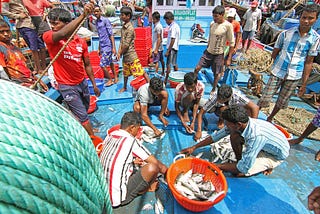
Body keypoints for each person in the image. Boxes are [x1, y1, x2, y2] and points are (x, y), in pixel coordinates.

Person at [181, 105, 290, 177]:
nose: (225, 126)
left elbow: (242, 168)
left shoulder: (255, 136)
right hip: (263, 145)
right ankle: (240, 160)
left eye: (227, 123)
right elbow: (215, 137)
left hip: (276, 155)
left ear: (238, 125)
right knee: (234, 137)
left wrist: (215, 166)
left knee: (240, 173)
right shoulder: (242, 124)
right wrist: (194, 147)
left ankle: (269, 164)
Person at [43, 4, 100, 136]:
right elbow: (63, 33)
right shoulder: (50, 37)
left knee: (84, 109)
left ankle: (84, 129)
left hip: (82, 82)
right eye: (51, 23)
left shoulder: (81, 42)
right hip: (66, 85)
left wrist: (94, 84)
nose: (53, 27)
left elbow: (87, 65)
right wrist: (83, 15)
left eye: (56, 24)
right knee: (82, 114)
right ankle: (92, 138)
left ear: (67, 23)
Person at [258, 4, 320, 122]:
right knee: (265, 97)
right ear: (300, 17)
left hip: (294, 75)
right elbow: (275, 52)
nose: (306, 21)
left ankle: (270, 118)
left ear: (315, 19)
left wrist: (304, 84)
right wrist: (268, 67)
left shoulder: (315, 39)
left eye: (310, 18)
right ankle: (254, 116)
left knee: (282, 101)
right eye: (304, 17)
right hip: (278, 70)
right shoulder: (286, 34)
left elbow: (309, 62)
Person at [100, 111, 168, 207]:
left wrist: (132, 161)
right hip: (117, 198)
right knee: (152, 168)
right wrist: (169, 173)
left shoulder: (111, 135)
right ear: (132, 128)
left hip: (103, 192)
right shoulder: (130, 141)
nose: (138, 131)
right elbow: (156, 164)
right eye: (138, 128)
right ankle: (148, 188)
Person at [194, 84, 259, 140]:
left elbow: (255, 107)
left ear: (230, 97)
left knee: (247, 110)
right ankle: (221, 119)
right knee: (218, 109)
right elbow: (201, 113)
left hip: (234, 108)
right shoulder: (214, 97)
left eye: (222, 100)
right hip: (217, 108)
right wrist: (199, 131)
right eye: (219, 99)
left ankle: (227, 119)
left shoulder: (237, 96)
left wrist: (251, 128)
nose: (219, 100)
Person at [194, 6, 235, 93]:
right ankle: (194, 86)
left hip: (219, 54)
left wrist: (229, 58)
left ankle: (213, 89)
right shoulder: (212, 23)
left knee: (216, 74)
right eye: (213, 16)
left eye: (216, 16)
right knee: (197, 68)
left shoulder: (228, 26)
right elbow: (210, 37)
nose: (214, 18)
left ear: (222, 15)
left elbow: (232, 43)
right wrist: (207, 48)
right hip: (208, 52)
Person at [0, 19, 48, 91]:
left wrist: (38, 80)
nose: (6, 34)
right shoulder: (1, 48)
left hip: (29, 81)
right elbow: (3, 73)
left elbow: (25, 67)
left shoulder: (14, 47)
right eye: (1, 32)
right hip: (18, 84)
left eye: (7, 31)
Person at [1, 0, 46, 74]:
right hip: (25, 24)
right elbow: (2, 11)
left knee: (41, 46)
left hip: (34, 22)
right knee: (33, 48)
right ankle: (39, 69)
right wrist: (18, 16)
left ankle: (42, 67)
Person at [116, 6, 150, 93]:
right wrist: (119, 52)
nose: (121, 17)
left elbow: (126, 45)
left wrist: (119, 53)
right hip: (126, 56)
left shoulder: (130, 28)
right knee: (125, 73)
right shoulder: (123, 27)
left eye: (123, 15)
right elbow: (121, 42)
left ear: (128, 16)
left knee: (140, 72)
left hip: (131, 55)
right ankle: (125, 87)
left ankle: (150, 86)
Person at [93, 5, 118, 86]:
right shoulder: (96, 22)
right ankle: (115, 77)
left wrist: (114, 48)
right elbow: (100, 36)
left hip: (108, 46)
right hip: (102, 46)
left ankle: (110, 79)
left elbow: (111, 34)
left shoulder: (105, 21)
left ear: (100, 11)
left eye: (97, 11)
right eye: (94, 11)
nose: (96, 13)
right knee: (110, 62)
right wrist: (99, 48)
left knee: (102, 64)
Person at [163, 11, 180, 84]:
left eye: (166, 20)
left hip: (172, 48)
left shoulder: (173, 27)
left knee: (168, 64)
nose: (166, 22)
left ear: (169, 19)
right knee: (174, 63)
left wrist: (168, 51)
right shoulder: (176, 25)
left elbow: (173, 39)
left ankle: (166, 80)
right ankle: (178, 77)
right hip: (175, 47)